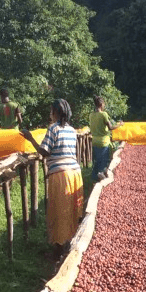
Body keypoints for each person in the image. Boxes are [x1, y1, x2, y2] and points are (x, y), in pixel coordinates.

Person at [20, 98, 84, 256]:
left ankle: (58, 249)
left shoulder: (54, 128)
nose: (50, 114)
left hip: (61, 175)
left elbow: (44, 151)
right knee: (73, 210)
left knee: (60, 211)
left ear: (56, 113)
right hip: (75, 174)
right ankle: (71, 241)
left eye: (51, 111)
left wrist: (30, 138)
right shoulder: (72, 130)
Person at [88, 95, 121, 181]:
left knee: (97, 162)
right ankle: (102, 180)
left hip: (95, 142)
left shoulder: (91, 115)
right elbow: (110, 127)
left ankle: (93, 180)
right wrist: (120, 125)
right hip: (103, 142)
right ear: (101, 104)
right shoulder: (104, 115)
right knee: (103, 163)